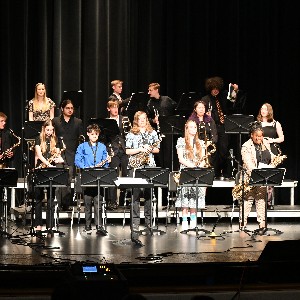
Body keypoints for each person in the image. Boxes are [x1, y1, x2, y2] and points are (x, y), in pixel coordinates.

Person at [201, 76, 246, 180]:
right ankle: (214, 172)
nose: (216, 91)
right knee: (213, 150)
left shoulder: (224, 95)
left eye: (217, 88)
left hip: (224, 127)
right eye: (213, 89)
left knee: (224, 150)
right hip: (212, 127)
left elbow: (233, 102)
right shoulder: (205, 99)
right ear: (210, 88)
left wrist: (235, 91)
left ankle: (225, 172)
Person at [125, 111, 160, 242]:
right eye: (140, 119)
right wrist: (140, 149)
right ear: (136, 121)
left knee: (148, 196)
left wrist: (149, 148)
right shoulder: (131, 134)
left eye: (144, 119)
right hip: (135, 167)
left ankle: (149, 224)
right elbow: (128, 151)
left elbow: (157, 149)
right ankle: (135, 226)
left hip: (149, 166)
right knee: (135, 197)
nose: (143, 121)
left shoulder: (153, 133)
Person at [238, 121, 276, 231]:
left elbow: (271, 156)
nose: (260, 138)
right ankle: (243, 226)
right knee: (247, 202)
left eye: (261, 136)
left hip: (262, 177)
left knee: (261, 202)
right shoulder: (246, 146)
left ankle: (262, 226)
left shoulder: (265, 143)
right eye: (257, 136)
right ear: (252, 135)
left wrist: (275, 161)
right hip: (249, 178)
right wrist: (258, 173)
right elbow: (249, 164)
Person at [74, 124, 111, 234]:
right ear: (88, 134)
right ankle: (88, 225)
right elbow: (77, 161)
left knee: (98, 203)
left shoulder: (102, 146)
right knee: (88, 203)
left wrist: (106, 163)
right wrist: (85, 167)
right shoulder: (82, 146)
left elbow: (106, 162)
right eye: (92, 134)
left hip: (99, 177)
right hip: (87, 176)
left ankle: (99, 226)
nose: (94, 136)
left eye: (96, 134)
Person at [52, 99, 84, 211]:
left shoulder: (78, 122)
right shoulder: (55, 121)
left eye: (71, 108)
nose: (70, 110)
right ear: (62, 109)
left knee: (69, 179)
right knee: (58, 179)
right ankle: (57, 204)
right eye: (67, 108)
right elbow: (52, 137)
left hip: (72, 155)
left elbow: (81, 139)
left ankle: (66, 204)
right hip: (58, 154)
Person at [33, 119, 64, 234]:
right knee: (38, 197)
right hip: (41, 168)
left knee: (51, 197)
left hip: (52, 169)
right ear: (43, 129)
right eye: (47, 130)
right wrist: (47, 164)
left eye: (51, 130)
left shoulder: (55, 139)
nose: (49, 132)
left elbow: (58, 154)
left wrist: (58, 159)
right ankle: (38, 224)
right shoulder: (38, 138)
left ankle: (50, 225)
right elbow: (39, 155)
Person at [175, 120, 206, 230]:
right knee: (185, 196)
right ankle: (184, 221)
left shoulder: (200, 143)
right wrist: (192, 166)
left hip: (197, 172)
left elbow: (203, 158)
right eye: (191, 127)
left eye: (195, 127)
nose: (194, 129)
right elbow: (181, 159)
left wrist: (199, 167)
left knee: (195, 197)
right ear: (187, 129)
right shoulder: (181, 141)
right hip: (186, 170)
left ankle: (193, 221)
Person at [257, 102, 285, 209]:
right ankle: (260, 201)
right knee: (260, 175)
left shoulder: (275, 123)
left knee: (270, 176)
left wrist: (272, 140)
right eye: (262, 109)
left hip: (272, 152)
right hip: (260, 151)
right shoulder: (257, 123)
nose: (263, 111)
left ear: (269, 111)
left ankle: (269, 202)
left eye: (266, 109)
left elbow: (282, 138)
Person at [147, 82, 177, 171]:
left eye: (150, 90)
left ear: (156, 90)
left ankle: (169, 171)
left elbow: (176, 109)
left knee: (168, 152)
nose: (149, 92)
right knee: (159, 152)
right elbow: (147, 118)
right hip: (157, 130)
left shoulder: (166, 99)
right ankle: (160, 170)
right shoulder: (150, 103)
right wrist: (153, 120)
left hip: (168, 130)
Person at [106, 100, 129, 210]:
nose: (115, 109)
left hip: (124, 151)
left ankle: (123, 201)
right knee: (113, 176)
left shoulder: (124, 119)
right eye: (113, 107)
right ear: (108, 109)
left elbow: (129, 135)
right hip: (113, 151)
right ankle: (112, 201)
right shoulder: (106, 121)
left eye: (117, 107)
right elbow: (104, 138)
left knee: (126, 174)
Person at [188, 100, 218, 167]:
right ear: (195, 109)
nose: (201, 109)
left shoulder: (210, 120)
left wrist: (210, 142)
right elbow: (188, 134)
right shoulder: (191, 120)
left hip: (208, 145)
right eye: (199, 108)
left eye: (203, 108)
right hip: (195, 145)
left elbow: (214, 134)